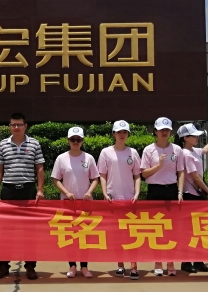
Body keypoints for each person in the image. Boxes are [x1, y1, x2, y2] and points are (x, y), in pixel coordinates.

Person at [0, 113, 45, 280]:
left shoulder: (34, 143)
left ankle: (30, 267)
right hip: (8, 190)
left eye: (19, 124)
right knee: (5, 231)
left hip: (28, 190)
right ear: (9, 127)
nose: (16, 127)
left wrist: (40, 190)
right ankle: (3, 266)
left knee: (30, 231)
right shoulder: (3, 144)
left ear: (25, 126)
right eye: (13, 125)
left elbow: (39, 168)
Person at [52, 126, 100, 279]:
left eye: (78, 139)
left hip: (85, 203)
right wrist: (66, 192)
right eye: (72, 139)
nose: (75, 142)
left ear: (82, 141)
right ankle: (72, 266)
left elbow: (95, 178)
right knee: (70, 236)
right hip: (68, 203)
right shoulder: (61, 158)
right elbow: (55, 179)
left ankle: (84, 266)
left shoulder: (88, 158)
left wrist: (89, 192)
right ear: (68, 140)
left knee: (85, 236)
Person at [141, 116, 185, 277]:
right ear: (155, 131)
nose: (164, 132)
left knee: (171, 229)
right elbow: (144, 173)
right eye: (161, 130)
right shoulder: (149, 150)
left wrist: (180, 192)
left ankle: (170, 262)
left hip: (171, 190)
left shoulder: (177, 149)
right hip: (155, 191)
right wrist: (158, 165)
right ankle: (158, 261)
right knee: (156, 229)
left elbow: (181, 172)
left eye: (167, 129)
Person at [98, 120, 142, 280]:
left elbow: (137, 176)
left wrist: (137, 193)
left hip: (130, 199)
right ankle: (120, 265)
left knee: (132, 234)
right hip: (113, 199)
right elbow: (102, 175)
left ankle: (134, 266)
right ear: (113, 134)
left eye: (124, 132)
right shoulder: (106, 152)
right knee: (117, 235)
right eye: (119, 132)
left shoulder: (133, 152)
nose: (122, 135)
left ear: (128, 134)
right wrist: (105, 192)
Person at [176, 123, 208, 274]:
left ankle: (199, 260)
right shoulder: (186, 154)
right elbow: (195, 177)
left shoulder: (194, 151)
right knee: (190, 231)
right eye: (194, 136)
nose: (197, 138)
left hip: (198, 195)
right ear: (185, 138)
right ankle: (186, 262)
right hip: (190, 195)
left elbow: (205, 150)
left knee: (199, 229)